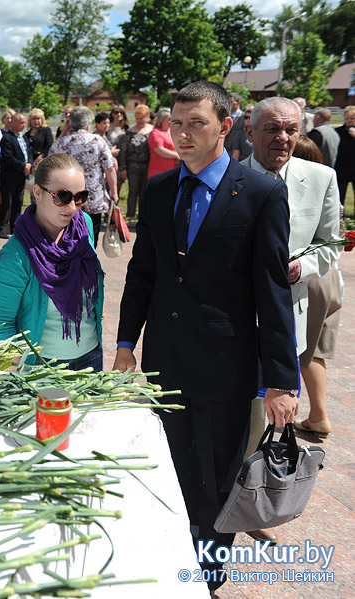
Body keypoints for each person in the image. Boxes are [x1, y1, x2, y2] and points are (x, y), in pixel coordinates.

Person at [113, 81, 298, 592]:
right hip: (166, 364)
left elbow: (271, 292)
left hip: (227, 369)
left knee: (216, 482)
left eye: (196, 123)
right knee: (172, 472)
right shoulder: (158, 189)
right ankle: (175, 563)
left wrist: (282, 379)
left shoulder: (261, 193)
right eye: (177, 122)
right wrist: (127, 342)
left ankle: (208, 578)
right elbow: (144, 272)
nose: (183, 133)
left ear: (225, 124)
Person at [239, 99, 340, 514]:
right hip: (234, 317)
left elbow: (331, 244)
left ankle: (253, 502)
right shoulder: (228, 177)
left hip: (286, 317)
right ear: (249, 132)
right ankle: (226, 493)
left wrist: (302, 265)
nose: (282, 137)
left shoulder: (320, 177)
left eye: (290, 130)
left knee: (270, 413)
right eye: (271, 129)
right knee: (240, 412)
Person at [0, 153, 104, 369]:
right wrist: (24, 369)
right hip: (44, 367)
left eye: (80, 196)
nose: (72, 207)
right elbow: (3, 324)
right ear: (37, 192)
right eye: (62, 197)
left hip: (91, 357)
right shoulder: (16, 254)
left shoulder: (84, 226)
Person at [291, 136, 345, 442]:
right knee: (316, 349)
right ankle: (318, 415)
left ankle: (314, 413)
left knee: (303, 349)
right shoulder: (328, 185)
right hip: (330, 277)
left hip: (308, 278)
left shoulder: (303, 189)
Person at [50, 106, 117, 247]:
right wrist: (114, 192)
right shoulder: (97, 141)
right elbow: (110, 169)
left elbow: (51, 162)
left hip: (67, 198)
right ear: (88, 124)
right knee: (92, 236)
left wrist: (64, 131)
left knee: (67, 236)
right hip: (93, 197)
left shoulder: (61, 143)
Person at [0, 113, 31, 239]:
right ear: (13, 123)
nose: (24, 125)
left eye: (25, 122)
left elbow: (28, 153)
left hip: (21, 176)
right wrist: (23, 166)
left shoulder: (24, 138)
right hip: (10, 176)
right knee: (6, 203)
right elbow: (8, 158)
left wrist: (29, 164)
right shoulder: (7, 138)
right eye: (21, 122)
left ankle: (15, 227)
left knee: (18, 202)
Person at [117, 105, 152, 220]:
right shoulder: (130, 132)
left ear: (147, 117)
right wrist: (123, 168)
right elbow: (123, 152)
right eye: (137, 118)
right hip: (132, 166)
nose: (139, 121)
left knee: (144, 192)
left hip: (148, 166)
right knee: (132, 192)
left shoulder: (152, 130)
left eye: (142, 118)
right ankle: (131, 216)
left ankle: (142, 217)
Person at [147, 108, 179, 178]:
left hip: (173, 170)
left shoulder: (172, 132)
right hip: (159, 170)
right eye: (169, 119)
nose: (171, 122)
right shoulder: (155, 133)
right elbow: (159, 150)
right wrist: (177, 155)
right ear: (161, 121)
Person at [336, 106, 355, 211]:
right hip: (342, 167)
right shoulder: (338, 131)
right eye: (347, 118)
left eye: (351, 119)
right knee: (340, 194)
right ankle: (340, 214)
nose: (348, 121)